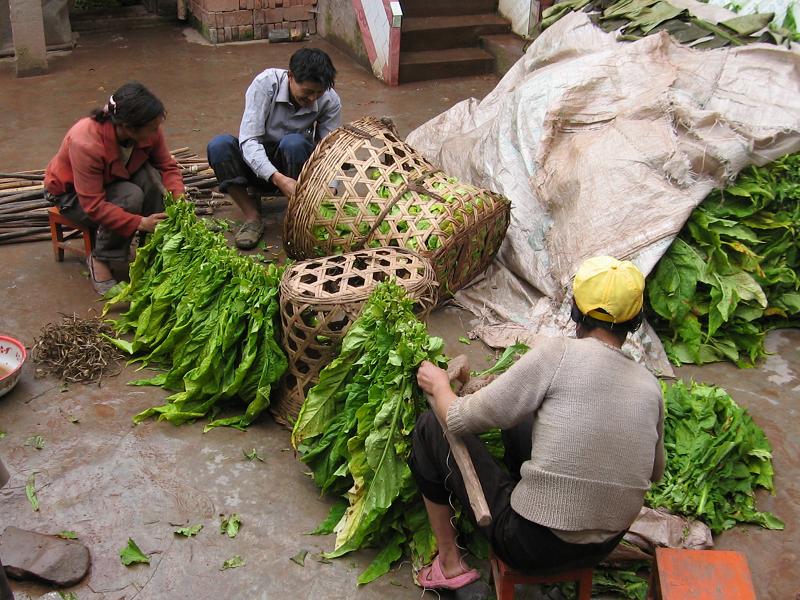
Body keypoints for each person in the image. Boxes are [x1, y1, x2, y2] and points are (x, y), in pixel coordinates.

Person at [411, 256, 665, 590]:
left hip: (528, 546)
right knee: (523, 413)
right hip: (603, 546)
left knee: (432, 424)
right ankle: (528, 499)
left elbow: (458, 418)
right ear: (634, 323)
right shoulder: (650, 385)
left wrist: (440, 386)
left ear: (575, 312)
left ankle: (449, 563)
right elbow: (655, 473)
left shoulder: (556, 354)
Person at [45, 82, 185, 295]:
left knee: (154, 182)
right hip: (71, 195)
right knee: (130, 197)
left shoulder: (146, 129)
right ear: (128, 127)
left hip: (114, 177)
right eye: (152, 129)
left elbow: (167, 166)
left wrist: (178, 197)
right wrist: (140, 222)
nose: (156, 133)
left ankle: (151, 251)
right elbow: (93, 205)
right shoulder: (86, 142)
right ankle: (101, 258)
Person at [207, 47, 341, 250]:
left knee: (294, 143)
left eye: (318, 93)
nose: (313, 98)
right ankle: (252, 217)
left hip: (295, 161)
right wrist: (277, 178)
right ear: (290, 76)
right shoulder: (265, 84)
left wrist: (330, 186)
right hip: (256, 162)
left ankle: (298, 215)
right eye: (307, 92)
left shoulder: (330, 100)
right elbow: (249, 141)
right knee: (219, 146)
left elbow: (330, 148)